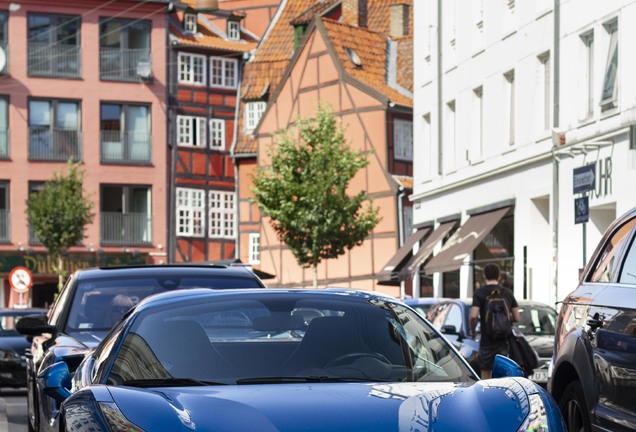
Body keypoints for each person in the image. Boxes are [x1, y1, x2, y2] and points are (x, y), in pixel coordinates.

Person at [470, 263, 520, 379]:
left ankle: (486, 395)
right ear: (499, 277)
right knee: (502, 373)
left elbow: (473, 316)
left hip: (486, 340)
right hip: (503, 340)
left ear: (484, 277)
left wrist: (473, 331)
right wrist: (503, 321)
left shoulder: (479, 293)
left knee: (485, 374)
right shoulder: (507, 293)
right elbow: (517, 317)